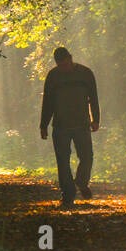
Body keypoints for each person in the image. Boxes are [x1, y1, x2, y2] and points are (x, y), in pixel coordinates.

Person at [39, 47, 100, 207]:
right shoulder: (53, 76)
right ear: (57, 64)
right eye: (61, 65)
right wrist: (43, 125)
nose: (64, 68)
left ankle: (80, 181)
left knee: (87, 157)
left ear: (71, 59)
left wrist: (96, 119)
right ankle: (68, 194)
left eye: (66, 64)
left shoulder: (85, 74)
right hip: (60, 126)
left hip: (82, 124)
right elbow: (48, 103)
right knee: (63, 161)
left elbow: (93, 97)